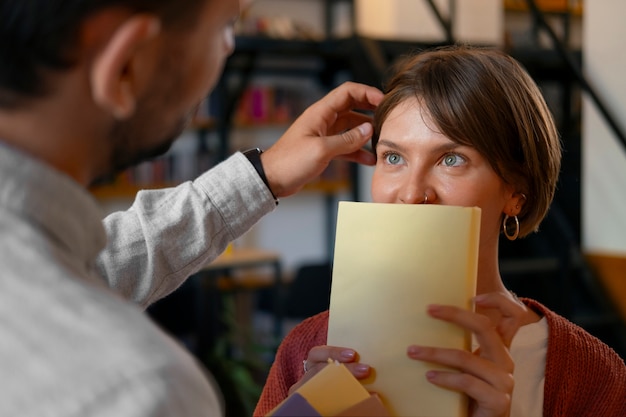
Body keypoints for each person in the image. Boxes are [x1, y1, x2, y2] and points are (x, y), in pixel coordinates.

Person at [0, 0, 383, 416]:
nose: (228, 48)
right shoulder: (137, 390)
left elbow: (97, 268)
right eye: (222, 28)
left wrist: (263, 174)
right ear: (127, 63)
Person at [254, 46, 626, 417]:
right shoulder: (304, 350)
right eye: (393, 158)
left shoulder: (595, 377)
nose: (413, 193)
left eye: (452, 159)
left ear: (515, 192)